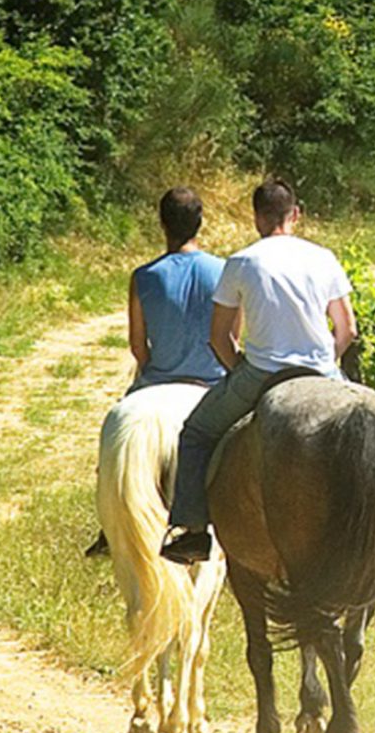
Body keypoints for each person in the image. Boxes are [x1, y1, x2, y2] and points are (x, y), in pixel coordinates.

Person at [157, 180, 357, 564]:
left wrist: (239, 372)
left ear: (256, 219)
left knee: (196, 433)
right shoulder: (323, 257)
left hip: (262, 374)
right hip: (320, 372)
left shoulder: (242, 263)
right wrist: (325, 362)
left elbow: (219, 338)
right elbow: (347, 329)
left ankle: (193, 530)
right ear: (295, 214)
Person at [88, 185, 229, 559]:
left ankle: (109, 526)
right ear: (200, 223)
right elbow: (229, 336)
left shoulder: (143, 276)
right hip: (211, 382)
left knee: (113, 437)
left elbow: (138, 346)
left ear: (162, 224)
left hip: (157, 380)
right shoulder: (224, 271)